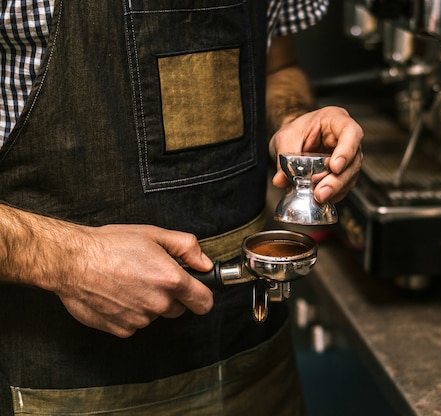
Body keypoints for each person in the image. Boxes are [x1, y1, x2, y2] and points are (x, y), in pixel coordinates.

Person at [0, 1, 363, 415]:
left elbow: (279, 67)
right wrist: (69, 259)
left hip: (252, 364)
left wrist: (296, 120)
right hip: (66, 386)